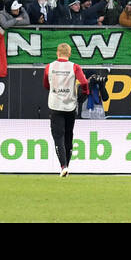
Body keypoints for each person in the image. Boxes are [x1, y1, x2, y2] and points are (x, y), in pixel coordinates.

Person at [44, 44, 89, 177]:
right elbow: (84, 82)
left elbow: (45, 85)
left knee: (58, 136)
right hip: (70, 105)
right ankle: (67, 166)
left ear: (57, 53)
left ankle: (63, 166)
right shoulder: (74, 67)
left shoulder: (49, 66)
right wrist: (85, 92)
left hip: (55, 105)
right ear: (69, 54)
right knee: (68, 135)